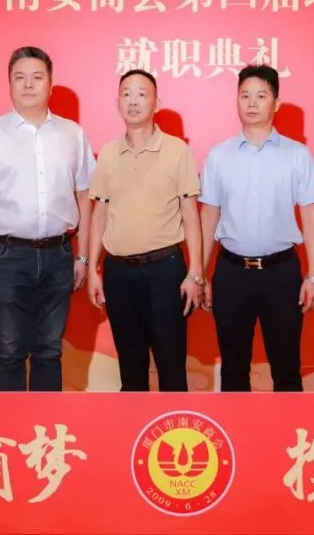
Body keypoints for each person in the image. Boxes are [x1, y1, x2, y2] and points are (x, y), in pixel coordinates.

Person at [0, 46, 95, 392]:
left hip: (59, 254)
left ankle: (47, 424)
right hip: (7, 256)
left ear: (50, 84)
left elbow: (85, 197)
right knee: (9, 350)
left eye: (37, 77)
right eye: (20, 77)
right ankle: (8, 424)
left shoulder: (72, 134)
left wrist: (83, 258)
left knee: (50, 350)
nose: (28, 85)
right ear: (9, 84)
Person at [198, 64, 314, 392]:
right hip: (231, 273)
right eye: (245, 96)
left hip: (281, 274)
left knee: (286, 370)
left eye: (261, 96)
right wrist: (199, 273)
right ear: (236, 101)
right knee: (233, 371)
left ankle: (287, 427)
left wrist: (313, 276)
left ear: (276, 103)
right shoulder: (219, 156)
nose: (252, 103)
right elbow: (208, 216)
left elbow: (311, 216)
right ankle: (235, 427)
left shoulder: (297, 155)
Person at [86, 69, 204, 392]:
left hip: (165, 271)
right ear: (117, 103)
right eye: (126, 94)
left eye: (142, 94)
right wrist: (93, 268)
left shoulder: (177, 150)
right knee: (131, 369)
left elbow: (190, 216)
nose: (133, 101)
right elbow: (99, 215)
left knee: (171, 368)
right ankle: (132, 426)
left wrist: (195, 273)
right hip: (118, 273)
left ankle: (175, 424)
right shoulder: (108, 154)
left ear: (156, 102)